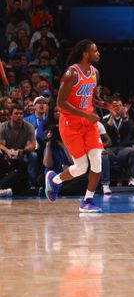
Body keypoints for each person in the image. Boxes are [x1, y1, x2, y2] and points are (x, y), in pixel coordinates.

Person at [44, 40, 109, 213]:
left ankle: (87, 200)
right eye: (95, 51)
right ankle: (55, 180)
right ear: (86, 53)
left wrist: (107, 106)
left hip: (88, 124)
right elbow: (60, 103)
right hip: (70, 123)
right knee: (81, 168)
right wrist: (85, 114)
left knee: (97, 161)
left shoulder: (95, 72)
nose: (98, 53)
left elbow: (91, 99)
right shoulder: (71, 73)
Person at [0, 104, 38, 192]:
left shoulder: (29, 127)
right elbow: (1, 144)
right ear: (10, 115)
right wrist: (7, 151)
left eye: (21, 113)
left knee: (34, 155)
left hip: (23, 153)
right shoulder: (3, 126)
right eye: (16, 113)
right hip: (7, 153)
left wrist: (22, 150)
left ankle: (32, 185)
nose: (19, 116)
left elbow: (32, 145)